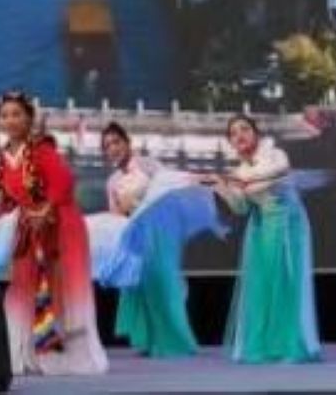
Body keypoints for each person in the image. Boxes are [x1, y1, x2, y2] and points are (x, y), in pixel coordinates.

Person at [0, 91, 106, 376]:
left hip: (60, 225)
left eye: (16, 114)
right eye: (5, 115)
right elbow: (7, 199)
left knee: (62, 287)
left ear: (29, 118)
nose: (10, 120)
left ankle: (69, 356)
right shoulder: (3, 158)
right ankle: (24, 354)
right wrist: (2, 220)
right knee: (22, 289)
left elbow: (63, 181)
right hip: (28, 231)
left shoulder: (41, 149)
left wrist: (45, 209)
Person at [89, 122, 219, 359]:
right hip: (136, 236)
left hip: (158, 234)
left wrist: (198, 180)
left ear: (127, 143)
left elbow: (169, 185)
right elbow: (116, 216)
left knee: (163, 286)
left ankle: (175, 342)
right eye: (107, 146)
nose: (113, 148)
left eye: (116, 142)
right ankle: (150, 340)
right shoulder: (112, 181)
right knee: (142, 288)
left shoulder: (147, 165)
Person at [207, 115, 320, 365]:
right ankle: (267, 344)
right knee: (262, 283)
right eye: (233, 133)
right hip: (260, 227)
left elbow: (282, 170)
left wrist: (247, 180)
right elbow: (241, 208)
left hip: (288, 222)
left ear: (255, 133)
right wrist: (221, 188)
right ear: (230, 142)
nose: (240, 135)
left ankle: (290, 344)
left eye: (245, 129)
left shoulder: (274, 154)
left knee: (285, 280)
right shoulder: (238, 172)